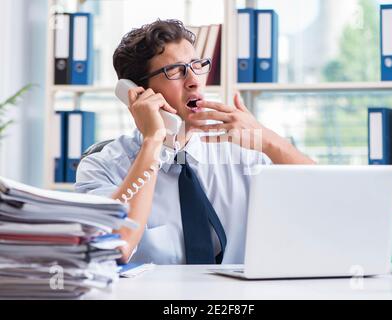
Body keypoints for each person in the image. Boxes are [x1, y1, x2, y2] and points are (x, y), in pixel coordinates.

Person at [75, 19, 314, 264]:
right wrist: (153, 141)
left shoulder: (241, 150)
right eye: (176, 71)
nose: (194, 80)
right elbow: (116, 246)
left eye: (197, 65)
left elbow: (320, 198)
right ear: (136, 92)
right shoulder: (102, 168)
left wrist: (268, 140)